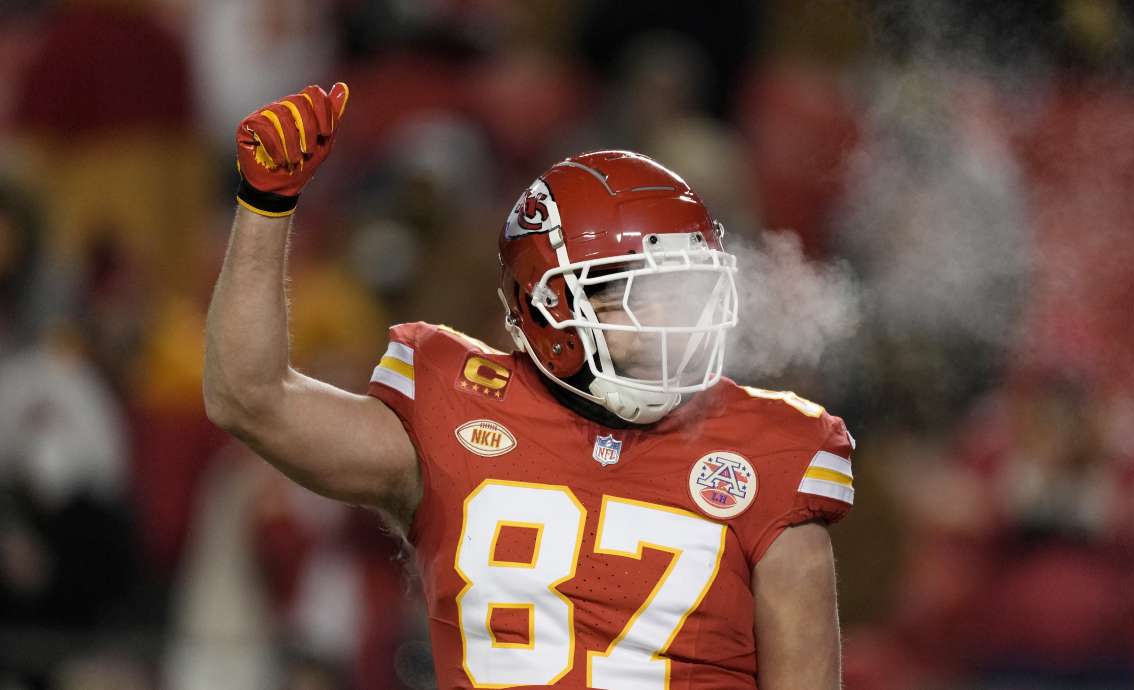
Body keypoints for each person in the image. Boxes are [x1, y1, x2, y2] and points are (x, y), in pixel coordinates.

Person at [203, 83, 856, 689]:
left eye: (683, 290)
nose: (670, 318)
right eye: (635, 296)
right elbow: (249, 398)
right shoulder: (454, 407)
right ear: (548, 310)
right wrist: (266, 205)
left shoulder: (772, 453)